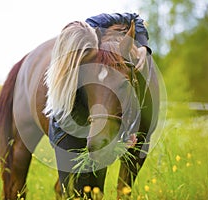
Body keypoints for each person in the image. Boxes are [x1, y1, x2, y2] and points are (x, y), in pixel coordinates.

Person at [45, 12, 151, 198]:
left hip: (93, 135)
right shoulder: (69, 82)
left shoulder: (94, 29)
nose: (97, 53)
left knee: (96, 193)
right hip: (67, 136)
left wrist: (143, 46)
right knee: (74, 193)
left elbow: (134, 17)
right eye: (88, 53)